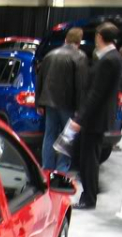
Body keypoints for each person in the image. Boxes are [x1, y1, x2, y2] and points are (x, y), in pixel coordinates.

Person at [69, 23, 122, 210]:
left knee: (89, 160)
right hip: (99, 117)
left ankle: (89, 198)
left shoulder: (108, 60)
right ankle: (89, 194)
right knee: (89, 158)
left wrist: (80, 119)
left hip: (95, 119)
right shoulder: (114, 57)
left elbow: (96, 94)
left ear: (100, 37)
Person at [35, 27, 87, 172]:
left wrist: (38, 102)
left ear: (66, 39)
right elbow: (81, 85)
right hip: (68, 105)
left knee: (49, 135)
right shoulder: (80, 57)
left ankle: (47, 169)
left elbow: (40, 79)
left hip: (49, 103)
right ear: (79, 41)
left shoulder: (50, 55)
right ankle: (61, 170)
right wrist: (80, 110)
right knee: (67, 138)